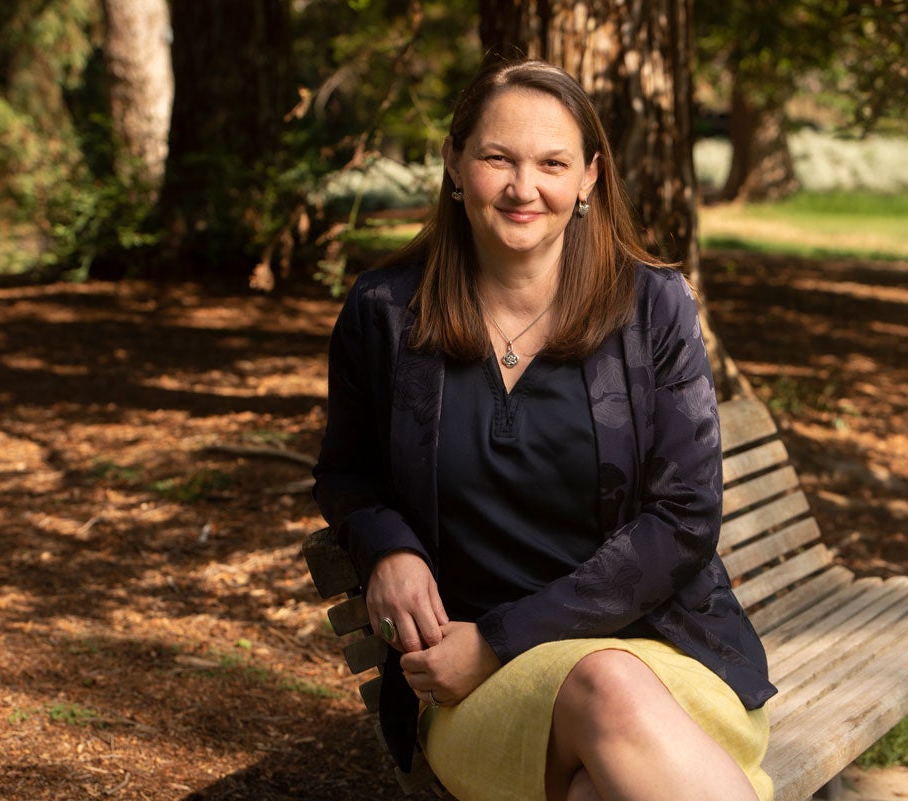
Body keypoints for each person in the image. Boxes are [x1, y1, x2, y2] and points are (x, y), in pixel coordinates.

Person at [313, 57, 777, 801]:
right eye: (498, 157)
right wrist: (386, 547)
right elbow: (347, 471)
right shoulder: (385, 314)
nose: (524, 188)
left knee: (609, 695)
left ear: (589, 177)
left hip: (667, 658)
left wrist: (501, 640)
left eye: (552, 163)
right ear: (456, 164)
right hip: (475, 691)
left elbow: (684, 520)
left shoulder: (652, 308)